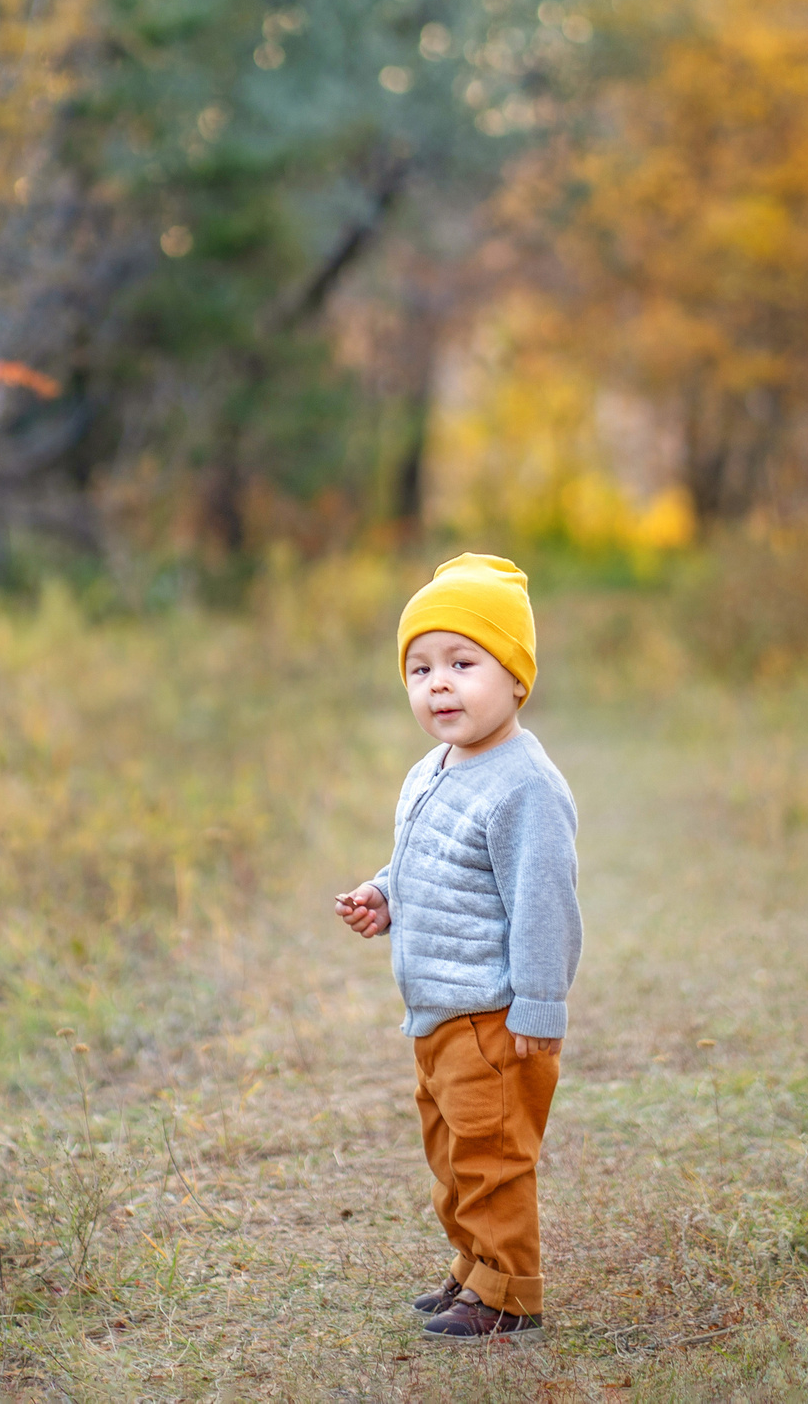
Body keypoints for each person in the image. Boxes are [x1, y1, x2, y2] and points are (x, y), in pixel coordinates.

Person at [334, 554, 582, 1343]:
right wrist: (385, 893)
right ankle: (474, 1268)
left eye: (463, 663)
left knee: (492, 1159)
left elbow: (544, 905)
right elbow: (429, 859)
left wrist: (540, 1005)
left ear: (515, 677)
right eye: (420, 668)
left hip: (494, 1017)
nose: (438, 683)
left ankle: (510, 1293)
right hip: (438, 1012)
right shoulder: (433, 768)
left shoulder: (525, 785)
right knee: (451, 1156)